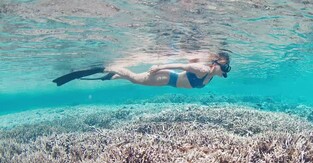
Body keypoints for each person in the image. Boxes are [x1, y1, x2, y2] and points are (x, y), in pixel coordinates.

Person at [52, 52, 231, 88]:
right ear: (216, 65)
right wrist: (159, 66)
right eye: (225, 67)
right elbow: (182, 66)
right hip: (166, 78)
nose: (227, 71)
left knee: (132, 78)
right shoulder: (203, 69)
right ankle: (101, 69)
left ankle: (109, 77)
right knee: (132, 77)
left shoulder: (211, 74)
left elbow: (189, 59)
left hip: (169, 80)